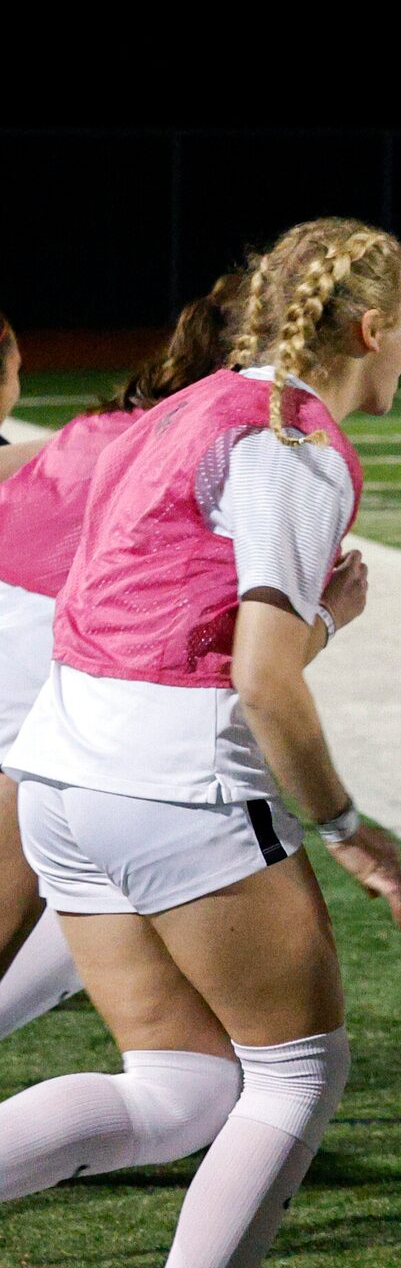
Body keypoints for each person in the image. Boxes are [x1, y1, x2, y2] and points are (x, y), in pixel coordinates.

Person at [1, 219, 401, 1268]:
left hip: (65, 771)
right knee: (295, 1075)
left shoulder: (193, 404)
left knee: (183, 1087)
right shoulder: (291, 440)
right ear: (371, 328)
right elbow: (264, 682)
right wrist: (341, 823)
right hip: (169, 780)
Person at [0, 280, 243, 1043]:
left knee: (103, 896)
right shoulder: (213, 439)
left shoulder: (106, 430)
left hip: (50, 674)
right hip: (43, 685)